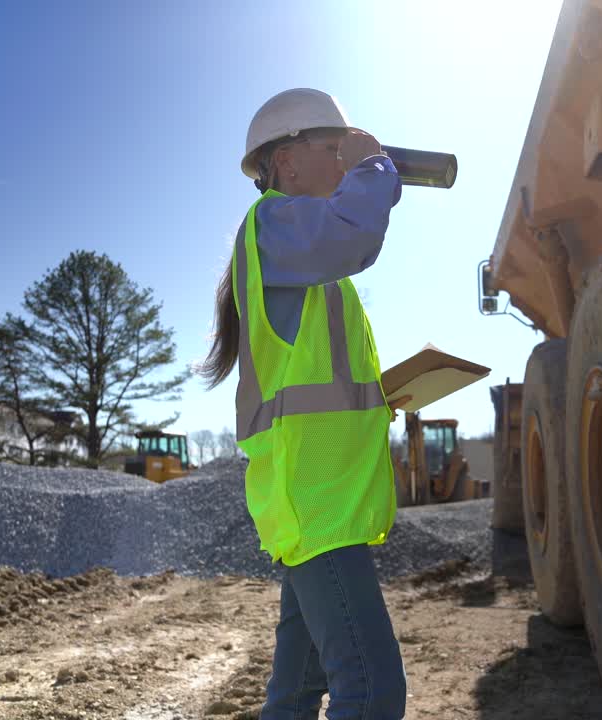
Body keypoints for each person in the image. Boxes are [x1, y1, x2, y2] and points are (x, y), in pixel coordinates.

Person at [199, 88, 411, 719]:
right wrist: (375, 166)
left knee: (294, 694)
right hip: (316, 502)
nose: (346, 161)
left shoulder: (302, 258)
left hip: (326, 498)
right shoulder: (273, 224)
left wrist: (382, 398)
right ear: (287, 163)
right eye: (335, 149)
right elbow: (353, 234)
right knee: (372, 693)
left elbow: (324, 380)